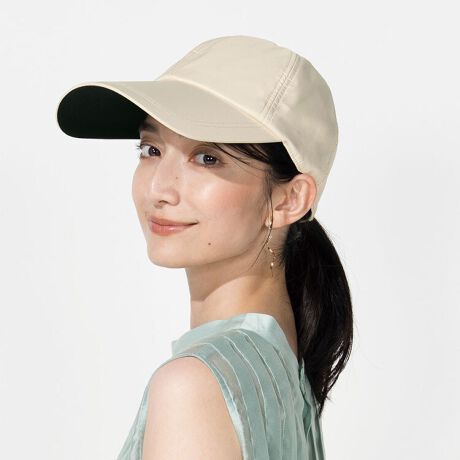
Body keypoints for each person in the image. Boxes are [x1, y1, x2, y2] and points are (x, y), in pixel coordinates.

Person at [56, 34, 353, 460]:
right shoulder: (279, 368)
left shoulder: (194, 385)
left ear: (290, 199)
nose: (159, 189)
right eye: (151, 149)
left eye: (207, 158)